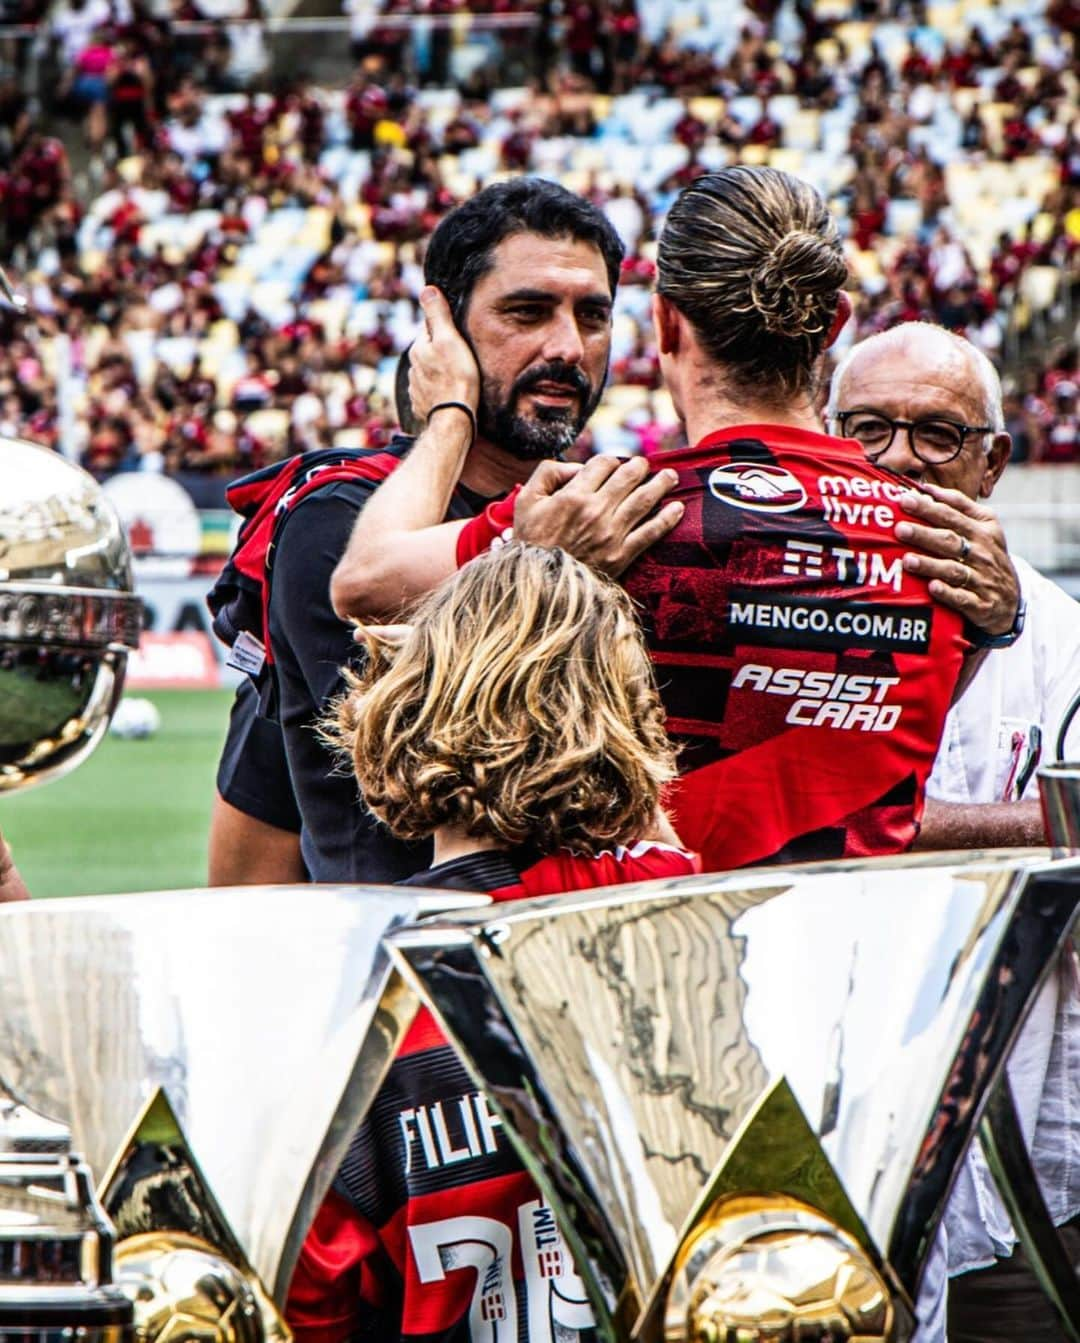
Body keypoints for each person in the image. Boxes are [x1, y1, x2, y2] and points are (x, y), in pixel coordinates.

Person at [334, 165, 1020, 872]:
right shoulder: (940, 540)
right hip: (860, 954)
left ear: (665, 321)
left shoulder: (617, 508)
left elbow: (363, 581)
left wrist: (449, 410)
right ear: (834, 326)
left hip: (655, 953)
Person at [209, 179, 678, 884]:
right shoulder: (332, 515)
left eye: (592, 315)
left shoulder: (604, 506)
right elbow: (478, 756)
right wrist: (451, 418)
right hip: (407, 964)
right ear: (445, 330)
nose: (568, 346)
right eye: (527, 311)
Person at [287, 543, 700, 1343]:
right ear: (620, 716)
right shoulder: (669, 924)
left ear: (404, 703)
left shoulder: (351, 979)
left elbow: (310, 1291)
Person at [827, 321, 1080, 1343]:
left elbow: (817, 840)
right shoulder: (766, 615)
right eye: (869, 428)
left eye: (936, 432)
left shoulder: (1063, 641)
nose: (897, 457)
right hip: (829, 1179)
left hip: (1035, 1182)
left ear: (993, 458)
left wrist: (874, 828)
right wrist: (1036, 830)